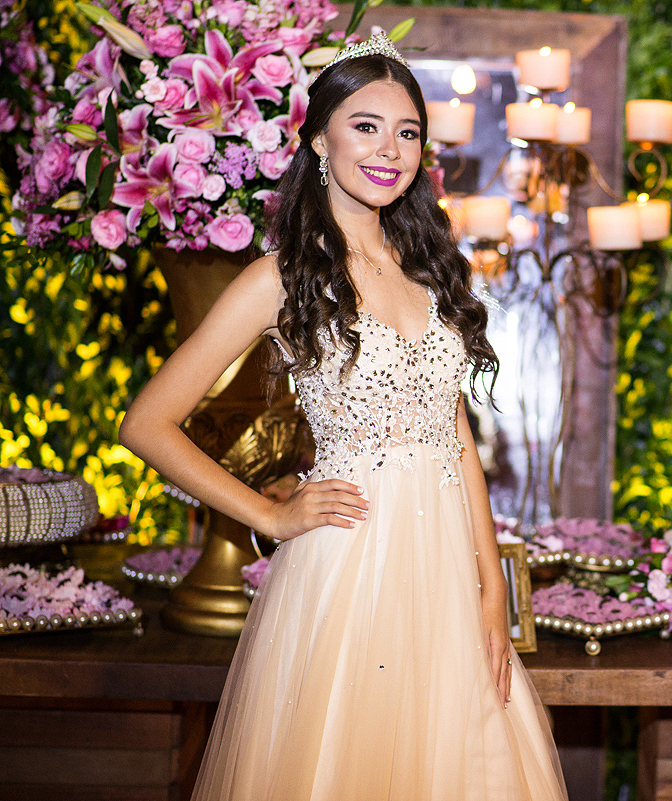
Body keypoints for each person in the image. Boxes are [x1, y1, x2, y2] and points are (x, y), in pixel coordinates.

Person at [119, 33, 568, 800]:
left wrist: (492, 589)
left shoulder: (430, 269)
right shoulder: (280, 278)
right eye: (366, 125)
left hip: (446, 574)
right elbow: (146, 423)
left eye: (408, 132)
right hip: (350, 563)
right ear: (320, 139)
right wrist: (270, 513)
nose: (390, 149)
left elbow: (455, 435)